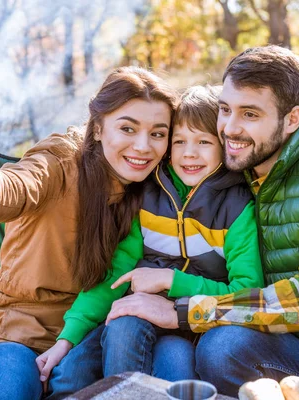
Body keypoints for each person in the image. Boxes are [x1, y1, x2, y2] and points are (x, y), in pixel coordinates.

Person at [104, 46, 299, 399]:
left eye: (249, 114)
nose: (230, 129)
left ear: (292, 119)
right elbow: (132, 137)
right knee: (222, 347)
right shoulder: (233, 164)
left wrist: (182, 311)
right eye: (225, 110)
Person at [0, 66, 179, 400]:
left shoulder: (162, 188)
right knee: (5, 390)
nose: (143, 146)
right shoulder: (62, 161)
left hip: (97, 336)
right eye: (127, 128)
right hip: (23, 332)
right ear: (98, 128)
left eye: (157, 133)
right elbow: (13, 188)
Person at [36, 85, 263, 382]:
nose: (189, 154)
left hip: (201, 321)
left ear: (223, 145)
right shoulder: (148, 196)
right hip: (138, 317)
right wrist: (67, 337)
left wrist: (171, 281)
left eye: (204, 142)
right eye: (179, 141)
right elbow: (115, 276)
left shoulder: (236, 207)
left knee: (170, 357)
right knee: (73, 370)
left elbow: (248, 293)